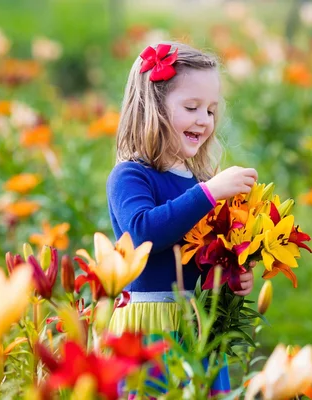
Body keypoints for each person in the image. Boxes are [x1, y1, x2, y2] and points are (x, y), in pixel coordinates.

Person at [107, 41, 258, 398]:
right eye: (191, 107)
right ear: (153, 108)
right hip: (148, 328)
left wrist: (231, 276)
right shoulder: (130, 176)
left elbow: (199, 254)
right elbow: (142, 232)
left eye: (211, 110)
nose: (204, 121)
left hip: (196, 325)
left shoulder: (197, 178)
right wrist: (208, 194)